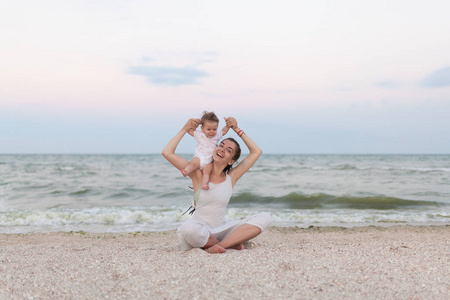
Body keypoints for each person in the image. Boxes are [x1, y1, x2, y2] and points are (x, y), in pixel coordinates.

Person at [162, 116, 271, 254]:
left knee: (264, 218)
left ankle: (219, 245)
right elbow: (167, 152)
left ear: (231, 161)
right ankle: (226, 244)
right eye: (221, 145)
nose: (222, 149)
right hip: (199, 229)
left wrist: (237, 129)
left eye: (229, 150)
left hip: (222, 229)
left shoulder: (231, 177)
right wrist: (184, 129)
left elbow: (256, 152)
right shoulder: (198, 173)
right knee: (187, 228)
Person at [181, 111, 230, 190]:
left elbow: (224, 131)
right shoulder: (200, 135)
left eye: (214, 129)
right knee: (192, 164)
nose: (212, 131)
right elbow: (189, 131)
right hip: (199, 157)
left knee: (206, 173)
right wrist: (194, 125)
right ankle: (186, 171)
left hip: (209, 161)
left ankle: (204, 184)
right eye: (209, 129)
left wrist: (228, 125)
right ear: (202, 128)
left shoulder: (216, 136)